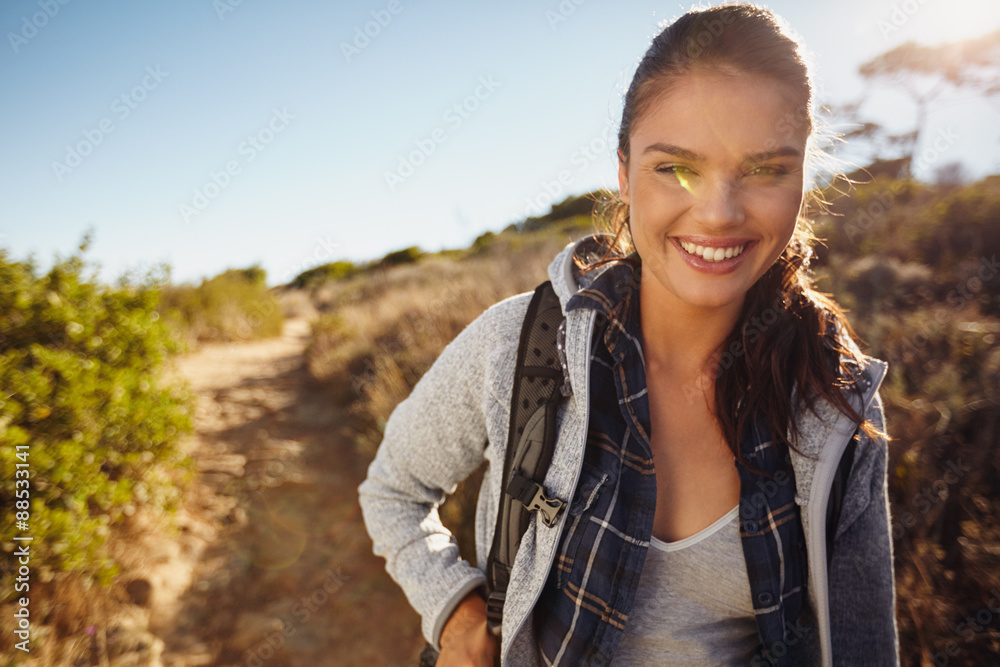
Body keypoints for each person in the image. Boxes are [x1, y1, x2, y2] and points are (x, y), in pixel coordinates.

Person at [358, 4, 900, 665]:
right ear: (624, 170)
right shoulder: (520, 343)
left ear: (802, 177)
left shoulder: (835, 400)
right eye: (676, 167)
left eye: (764, 169)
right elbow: (394, 489)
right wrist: (454, 610)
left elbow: (862, 648)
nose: (719, 212)